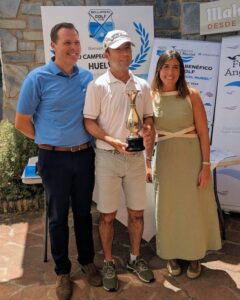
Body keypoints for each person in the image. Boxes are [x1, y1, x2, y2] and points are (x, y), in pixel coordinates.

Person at [15, 22, 102, 300]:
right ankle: (63, 272)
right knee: (57, 218)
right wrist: (46, 141)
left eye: (76, 42)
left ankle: (87, 261)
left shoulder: (87, 78)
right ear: (53, 45)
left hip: (84, 155)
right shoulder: (37, 78)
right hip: (53, 159)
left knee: (84, 214)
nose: (74, 48)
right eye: (67, 43)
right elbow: (21, 122)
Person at [83, 29, 156, 292]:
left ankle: (136, 258)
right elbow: (88, 122)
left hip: (135, 159)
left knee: (137, 213)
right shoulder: (97, 86)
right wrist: (112, 140)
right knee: (108, 215)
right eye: (119, 49)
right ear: (106, 54)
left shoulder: (142, 85)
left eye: (128, 48)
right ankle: (110, 262)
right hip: (107, 157)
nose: (125, 54)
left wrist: (147, 129)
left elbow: (148, 118)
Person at [151, 50, 221, 279]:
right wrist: (145, 163)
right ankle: (171, 255)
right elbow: (148, 133)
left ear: (181, 71)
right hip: (165, 158)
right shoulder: (151, 96)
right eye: (166, 67)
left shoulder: (192, 95)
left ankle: (194, 256)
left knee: (192, 208)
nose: (170, 72)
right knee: (168, 208)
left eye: (175, 67)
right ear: (159, 70)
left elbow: (202, 132)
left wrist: (205, 165)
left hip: (190, 158)